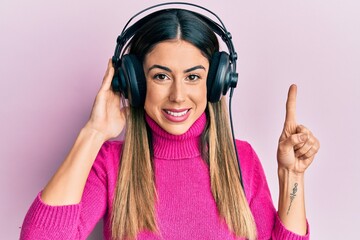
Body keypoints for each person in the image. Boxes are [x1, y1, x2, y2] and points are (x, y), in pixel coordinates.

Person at [20, 5, 320, 240]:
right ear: (134, 82)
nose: (178, 96)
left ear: (216, 82)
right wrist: (94, 132)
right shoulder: (110, 164)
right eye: (161, 76)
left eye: (193, 77)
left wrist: (291, 175)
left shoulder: (241, 159)